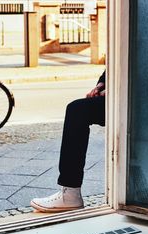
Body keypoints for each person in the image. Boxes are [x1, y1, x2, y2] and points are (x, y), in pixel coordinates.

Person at [31, 71, 106, 212]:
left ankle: (71, 194)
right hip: (122, 90)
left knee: (77, 111)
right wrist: (102, 84)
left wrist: (115, 89)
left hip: (138, 93)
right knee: (77, 110)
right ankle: (71, 193)